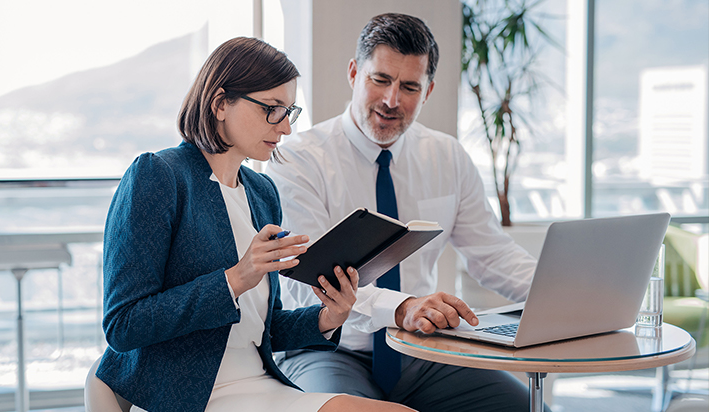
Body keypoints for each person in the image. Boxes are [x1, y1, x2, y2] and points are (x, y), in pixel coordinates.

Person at [94, 37, 415, 412]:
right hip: (190, 396)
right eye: (272, 109)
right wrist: (234, 279)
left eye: (289, 111)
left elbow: (265, 328)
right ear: (219, 104)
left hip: (260, 385)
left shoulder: (262, 193)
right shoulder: (158, 177)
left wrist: (330, 316)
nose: (285, 128)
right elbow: (123, 325)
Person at [267, 13, 548, 412]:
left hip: (421, 352)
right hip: (328, 348)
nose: (391, 100)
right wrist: (401, 307)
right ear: (353, 73)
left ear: (428, 90)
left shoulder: (446, 156)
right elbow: (307, 282)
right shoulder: (296, 160)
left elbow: (492, 254)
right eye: (380, 80)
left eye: (409, 86)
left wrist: (559, 296)